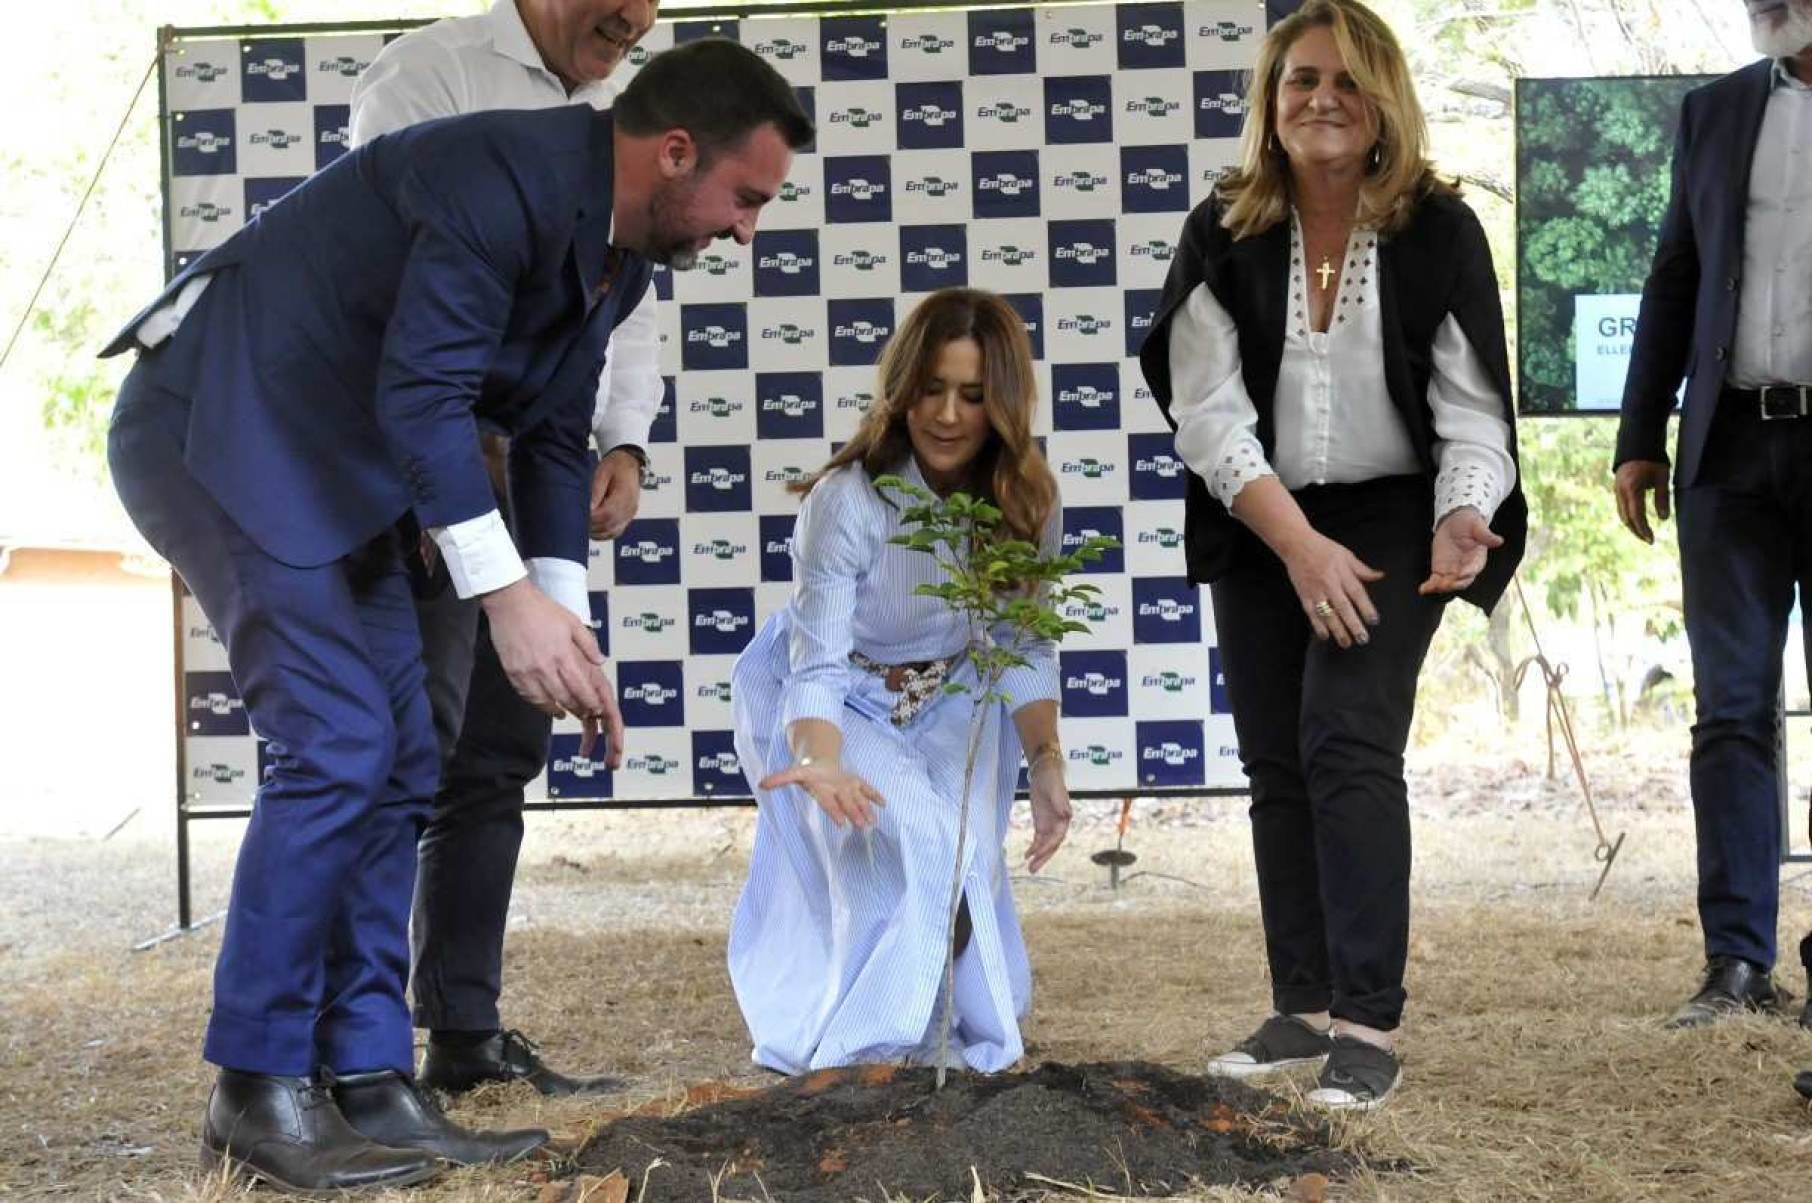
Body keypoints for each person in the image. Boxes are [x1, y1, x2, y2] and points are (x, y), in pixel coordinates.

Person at [103, 38, 811, 1195]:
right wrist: (505, 602)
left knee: (404, 756)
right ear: (675, 152)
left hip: (336, 466)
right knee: (335, 745)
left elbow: (546, 437)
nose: (745, 231)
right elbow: (424, 395)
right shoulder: (497, 173)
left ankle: (372, 1080)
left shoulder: (619, 256)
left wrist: (562, 617)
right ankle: (255, 1087)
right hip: (216, 433)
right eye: (746, 199)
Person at [1138, 0, 1524, 1111]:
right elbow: (1206, 416)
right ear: (1271, 100)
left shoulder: (1440, 230)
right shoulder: (1224, 227)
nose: (1322, 100)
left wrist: (1464, 515)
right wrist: (1298, 545)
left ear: (1384, 100)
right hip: (1264, 517)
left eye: (1347, 82)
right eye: (1302, 80)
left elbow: (1474, 415)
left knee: (1347, 737)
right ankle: (1299, 1007)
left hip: (1399, 516)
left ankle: (1365, 1024)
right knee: (1276, 757)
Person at [349, 0, 662, 1098]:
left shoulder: (639, 102)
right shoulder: (425, 73)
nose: (636, 14)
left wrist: (621, 438)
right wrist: (480, 456)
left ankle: (464, 1035)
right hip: (423, 472)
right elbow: (398, 299)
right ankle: (362, 1059)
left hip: (541, 458)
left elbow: (629, 303)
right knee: (408, 756)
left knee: (499, 756)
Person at [727, 287, 1074, 1074]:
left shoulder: (1027, 501)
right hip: (845, 697)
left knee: (968, 849)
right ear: (901, 387)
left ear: (1005, 403)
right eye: (931, 388)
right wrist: (821, 760)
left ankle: (943, 1039)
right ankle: (866, 1060)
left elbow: (1024, 644)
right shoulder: (845, 501)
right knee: (914, 833)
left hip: (953, 690)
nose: (948, 414)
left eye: (974, 395)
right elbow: (815, 662)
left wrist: (1046, 766)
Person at [1614, 0, 1812, 1036]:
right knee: (1731, 711)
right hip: (1728, 449)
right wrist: (1639, 432)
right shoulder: (1715, 110)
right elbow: (1676, 275)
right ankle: (1738, 963)